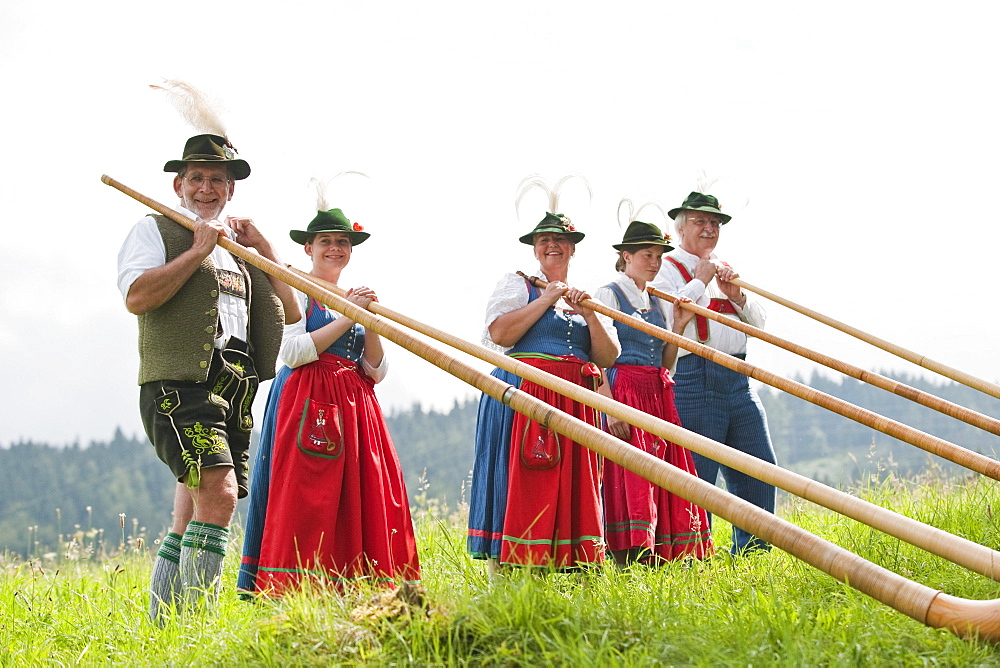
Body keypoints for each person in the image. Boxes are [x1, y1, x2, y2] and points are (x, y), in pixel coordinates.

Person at [116, 133, 298, 620]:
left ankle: (166, 624)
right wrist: (197, 251)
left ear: (231, 190)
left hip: (233, 391)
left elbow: (292, 309)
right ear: (179, 184)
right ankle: (200, 619)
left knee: (193, 511)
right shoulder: (155, 229)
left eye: (217, 179)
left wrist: (265, 249)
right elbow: (136, 297)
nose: (206, 188)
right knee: (218, 492)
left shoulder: (241, 248)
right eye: (196, 177)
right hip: (179, 384)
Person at [238, 206, 420, 596]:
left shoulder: (352, 297)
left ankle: (356, 583)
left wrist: (368, 320)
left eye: (342, 242)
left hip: (355, 405)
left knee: (361, 492)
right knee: (308, 495)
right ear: (308, 248)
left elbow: (375, 370)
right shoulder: (300, 289)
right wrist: (349, 314)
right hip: (308, 402)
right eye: (326, 241)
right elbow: (294, 351)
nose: (335, 248)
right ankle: (298, 587)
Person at [468, 196, 620, 572]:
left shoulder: (585, 297)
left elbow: (608, 357)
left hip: (575, 400)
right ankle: (512, 569)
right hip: (525, 393)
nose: (552, 245)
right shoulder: (520, 285)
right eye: (543, 240)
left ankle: (572, 566)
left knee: (575, 481)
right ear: (535, 249)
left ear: (572, 248)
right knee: (525, 473)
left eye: (560, 240)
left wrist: (590, 315)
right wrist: (546, 299)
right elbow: (500, 333)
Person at [650, 191, 776, 555]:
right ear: (680, 227)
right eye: (699, 221)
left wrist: (738, 297)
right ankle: (690, 560)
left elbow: (761, 324)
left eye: (715, 223)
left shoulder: (725, 267)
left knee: (760, 468)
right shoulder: (667, 266)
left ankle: (753, 557)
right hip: (694, 375)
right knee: (698, 474)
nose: (709, 229)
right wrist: (701, 280)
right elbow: (672, 314)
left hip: (739, 377)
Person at [593, 216, 713, 565]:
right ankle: (629, 557)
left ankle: (665, 553)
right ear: (626, 256)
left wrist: (676, 328)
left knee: (666, 471)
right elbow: (598, 356)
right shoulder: (608, 294)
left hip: (657, 393)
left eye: (659, 256)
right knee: (631, 474)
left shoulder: (656, 300)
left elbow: (666, 360)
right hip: (623, 389)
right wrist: (609, 408)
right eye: (647, 255)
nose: (655, 263)